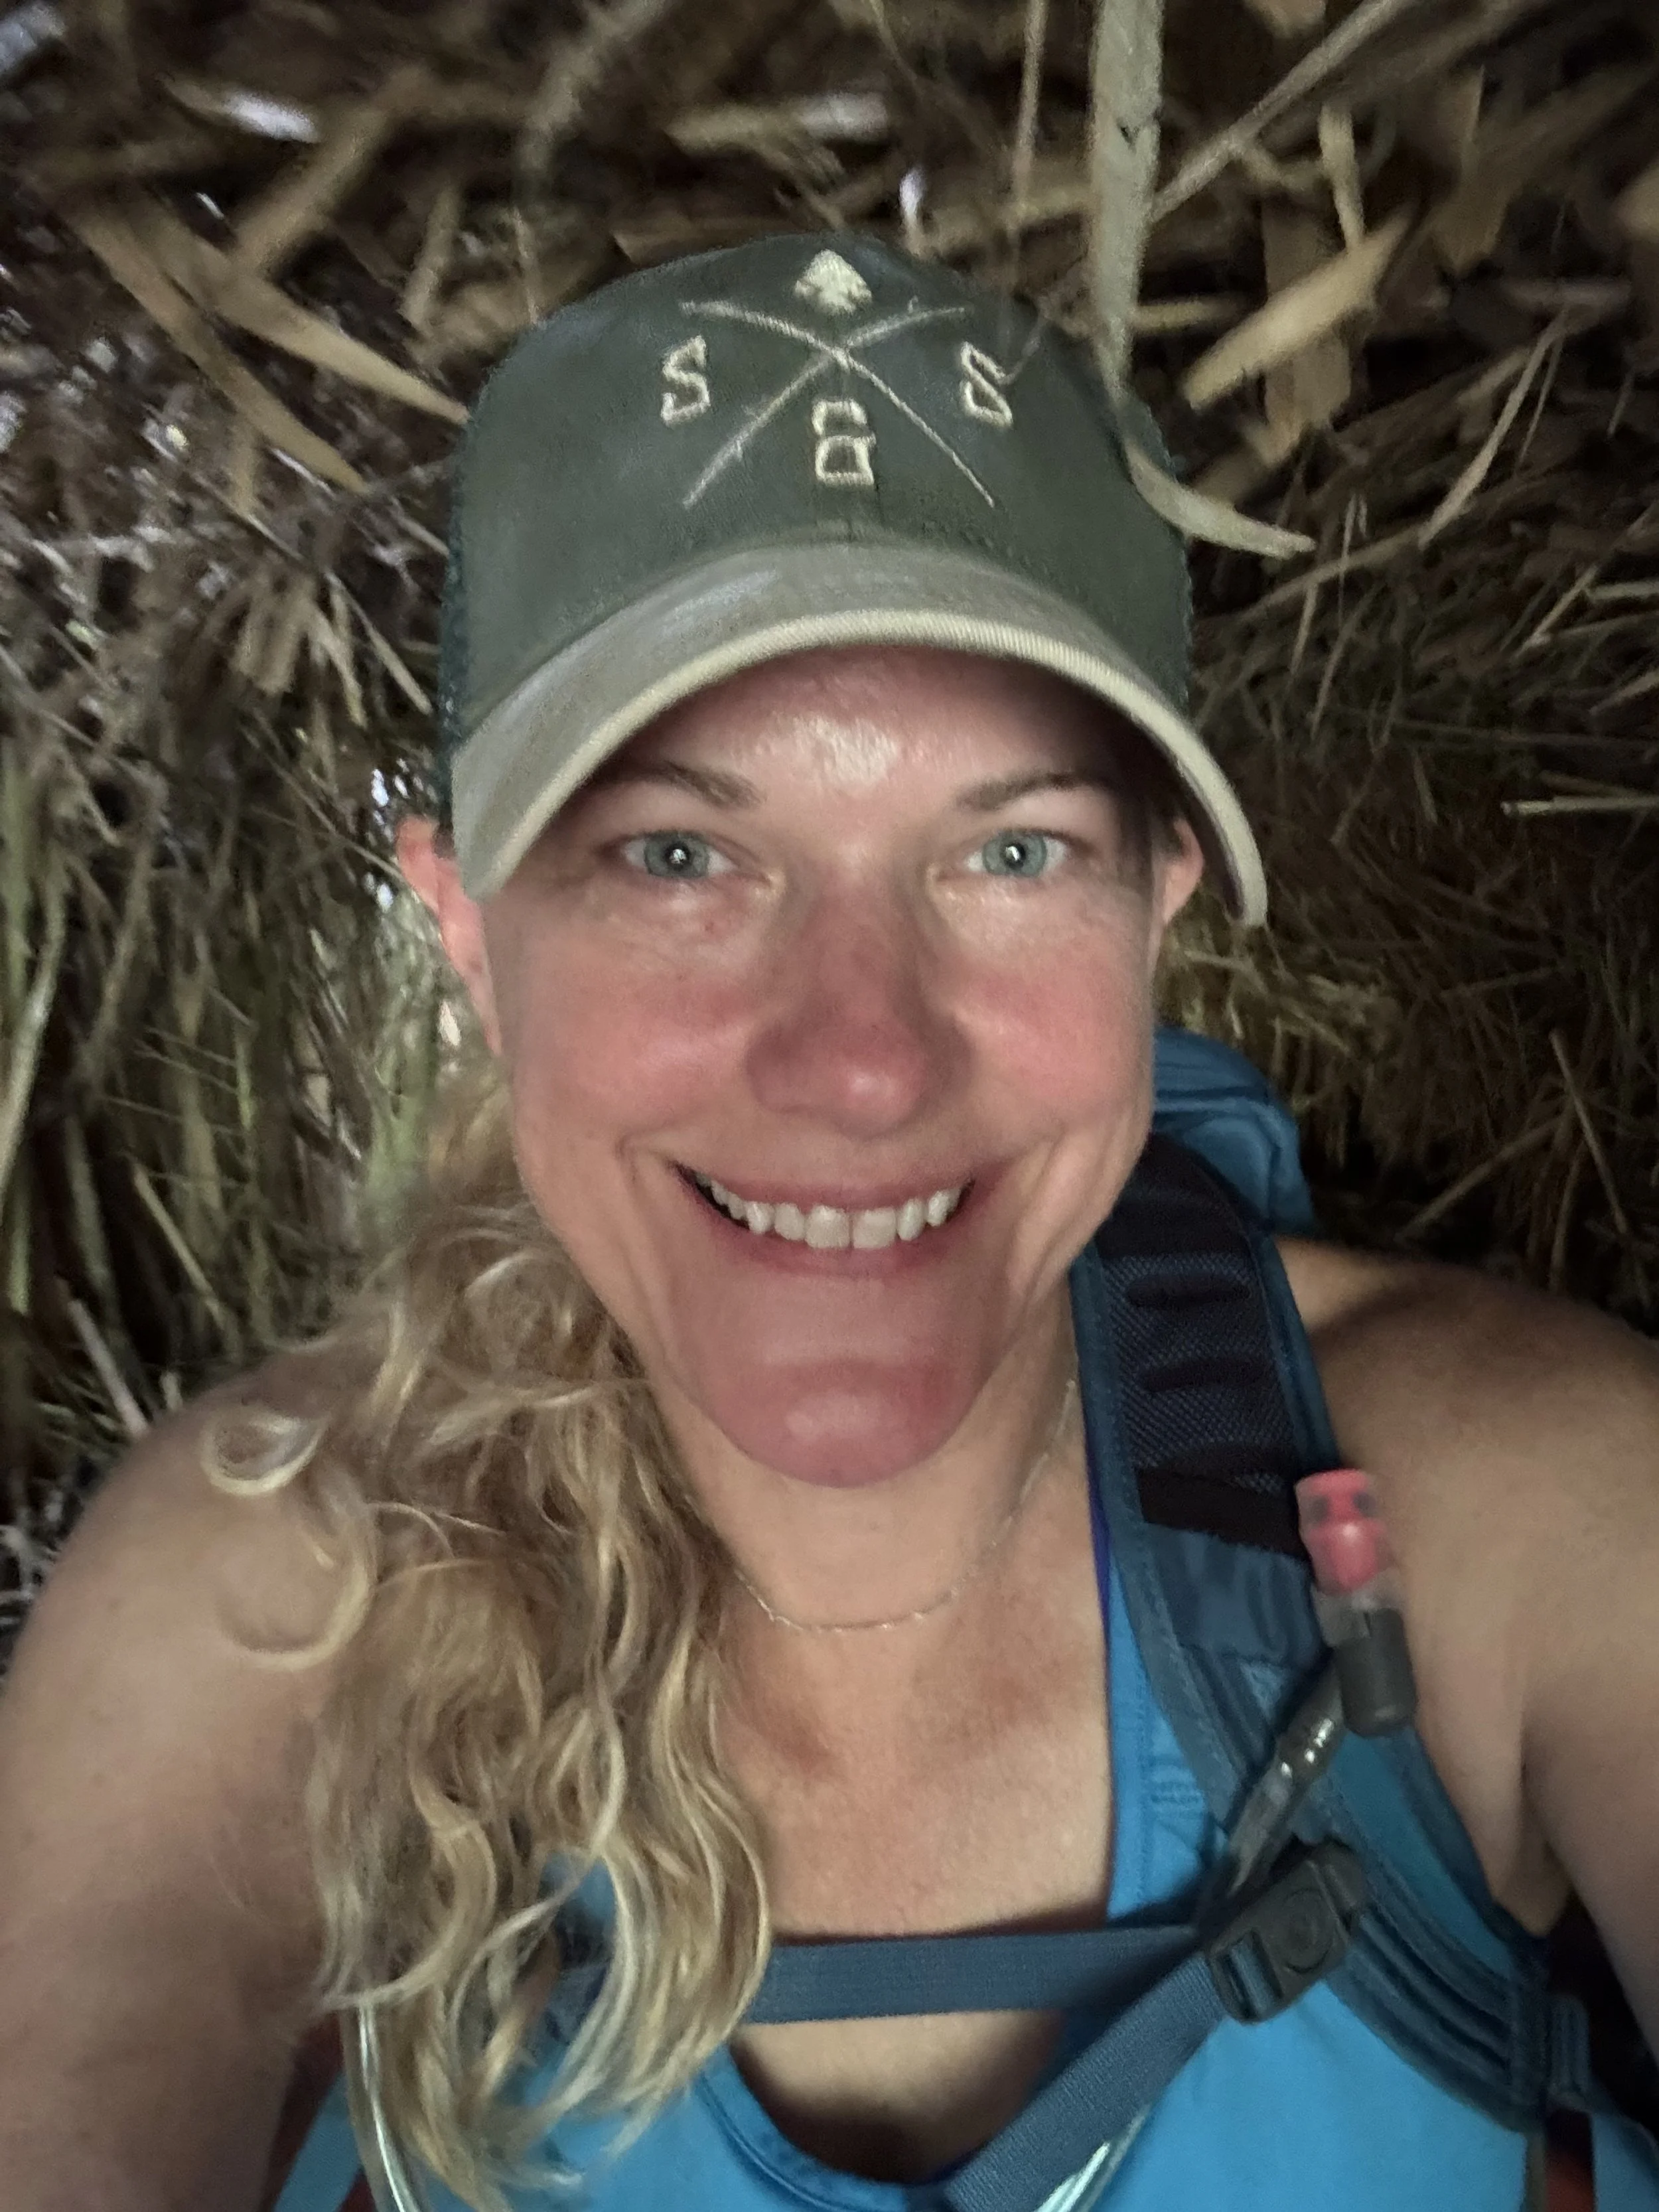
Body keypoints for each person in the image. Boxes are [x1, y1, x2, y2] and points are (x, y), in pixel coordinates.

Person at [0, 233, 1655, 2212]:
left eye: (1012, 851)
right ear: (467, 933)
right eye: (677, 854)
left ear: (1156, 911)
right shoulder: (273, 1601)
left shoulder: (1525, 1513)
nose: (862, 1063)